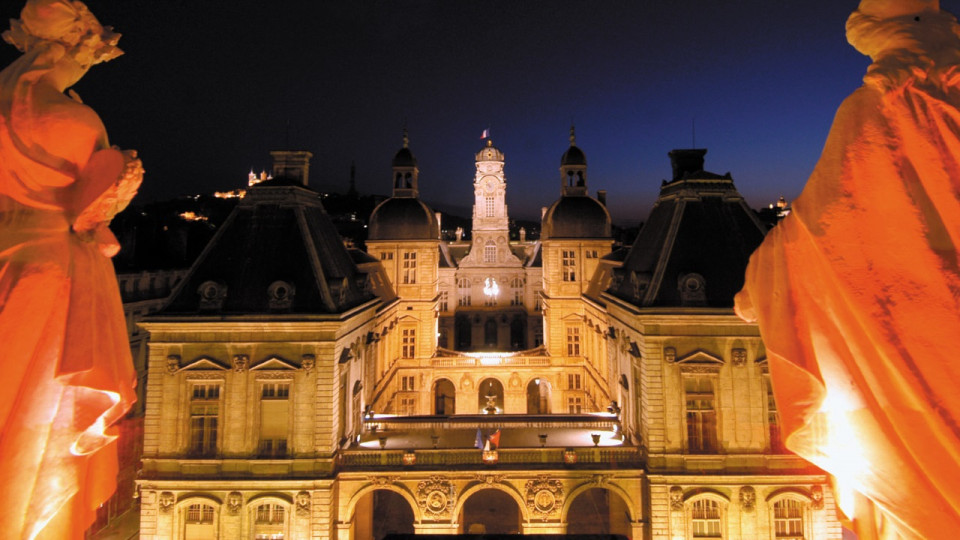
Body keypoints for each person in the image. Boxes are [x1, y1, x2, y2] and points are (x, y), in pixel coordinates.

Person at [736, 0, 960, 537]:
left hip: (909, 355)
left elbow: (818, 229)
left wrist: (754, 292)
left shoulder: (878, 106)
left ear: (878, 35)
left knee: (916, 497)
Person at [0, 1, 142, 537]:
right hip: (54, 272)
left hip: (8, 259)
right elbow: (90, 212)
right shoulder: (77, 120)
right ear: (76, 49)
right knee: (40, 426)